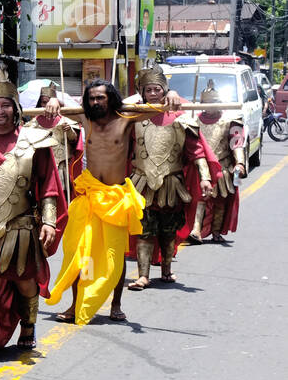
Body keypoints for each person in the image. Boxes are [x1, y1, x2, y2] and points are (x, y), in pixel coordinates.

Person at [42, 78, 180, 323]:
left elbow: (159, 106)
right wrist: (55, 99)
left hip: (116, 199)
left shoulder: (127, 119)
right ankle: (76, 305)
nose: (95, 102)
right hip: (89, 197)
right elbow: (62, 105)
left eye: (101, 98)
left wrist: (173, 94)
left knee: (114, 256)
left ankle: (116, 305)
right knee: (81, 253)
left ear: (111, 99)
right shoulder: (85, 119)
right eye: (92, 98)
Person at [0, 70, 64, 350]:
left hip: (21, 226)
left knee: (25, 282)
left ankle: (28, 325)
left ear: (15, 108)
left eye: (5, 105)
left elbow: (49, 184)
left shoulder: (33, 140)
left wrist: (49, 222)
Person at [124, 67, 217, 289]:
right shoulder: (133, 117)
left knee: (168, 230)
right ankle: (143, 275)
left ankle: (166, 270)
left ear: (165, 90)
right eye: (149, 90)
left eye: (157, 89)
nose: (153, 94)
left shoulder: (181, 118)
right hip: (141, 183)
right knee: (144, 230)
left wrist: (204, 177)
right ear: (142, 92)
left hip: (172, 184)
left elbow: (197, 152)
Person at [190, 81, 245, 243]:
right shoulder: (193, 121)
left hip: (222, 167)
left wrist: (240, 162)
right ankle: (196, 229)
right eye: (206, 103)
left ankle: (216, 232)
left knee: (221, 201)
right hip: (200, 167)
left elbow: (237, 142)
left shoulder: (230, 119)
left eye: (213, 102)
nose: (210, 106)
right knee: (200, 198)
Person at [27, 82, 84, 196]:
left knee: (65, 196)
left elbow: (74, 141)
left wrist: (69, 130)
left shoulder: (65, 120)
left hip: (62, 166)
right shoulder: (33, 123)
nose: (47, 106)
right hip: (42, 168)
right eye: (44, 102)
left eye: (49, 102)